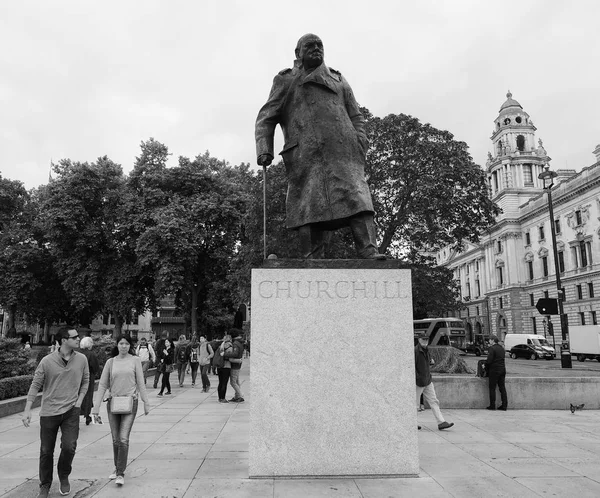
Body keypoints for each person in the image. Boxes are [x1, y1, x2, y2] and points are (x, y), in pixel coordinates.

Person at [255, 33, 385, 260]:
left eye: (320, 45)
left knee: (359, 199)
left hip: (345, 153)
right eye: (310, 46)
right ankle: (312, 257)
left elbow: (356, 115)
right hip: (307, 156)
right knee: (309, 205)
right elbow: (266, 117)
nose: (316, 49)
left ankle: (368, 250)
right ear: (298, 53)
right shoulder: (286, 80)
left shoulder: (339, 80)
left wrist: (360, 141)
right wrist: (264, 149)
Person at [22, 327, 89, 498]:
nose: (78, 339)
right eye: (74, 337)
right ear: (64, 340)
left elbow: (86, 381)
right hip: (49, 412)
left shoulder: (81, 359)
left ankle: (64, 475)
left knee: (69, 447)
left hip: (71, 411)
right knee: (46, 450)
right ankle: (45, 484)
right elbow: (35, 384)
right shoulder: (46, 361)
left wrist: (79, 402)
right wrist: (27, 409)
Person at [92, 334, 150, 487]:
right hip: (113, 403)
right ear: (117, 345)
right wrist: (96, 407)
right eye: (121, 343)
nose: (123, 346)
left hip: (130, 403)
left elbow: (140, 383)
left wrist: (146, 402)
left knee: (123, 439)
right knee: (115, 439)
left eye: (126, 344)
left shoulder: (135, 360)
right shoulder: (110, 362)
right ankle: (118, 466)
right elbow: (103, 385)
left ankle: (120, 473)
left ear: (130, 346)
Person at [415, 337, 454, 431]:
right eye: (423, 340)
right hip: (419, 381)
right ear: (419, 340)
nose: (425, 342)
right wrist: (417, 377)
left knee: (434, 401)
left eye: (426, 340)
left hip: (427, 380)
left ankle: (441, 422)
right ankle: (413, 423)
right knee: (415, 404)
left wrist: (430, 361)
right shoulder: (416, 351)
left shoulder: (425, 350)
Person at [79, 337, 100, 426]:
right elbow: (95, 367)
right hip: (88, 377)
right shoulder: (91, 354)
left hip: (77, 377)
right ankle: (87, 416)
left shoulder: (77, 353)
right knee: (88, 396)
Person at [485, 335, 508, 411]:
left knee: (492, 388)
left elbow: (489, 361)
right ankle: (504, 405)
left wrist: (485, 366)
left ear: (492, 340)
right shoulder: (501, 348)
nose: (489, 341)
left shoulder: (492, 348)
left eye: (489, 340)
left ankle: (492, 405)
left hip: (494, 370)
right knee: (502, 388)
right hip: (502, 370)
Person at [223, 329, 245, 402]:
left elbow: (235, 354)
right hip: (238, 363)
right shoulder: (240, 342)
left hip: (235, 364)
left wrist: (225, 354)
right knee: (237, 381)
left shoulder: (235, 343)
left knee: (233, 382)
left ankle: (240, 395)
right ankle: (237, 396)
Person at [217, 334, 233, 403]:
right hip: (226, 366)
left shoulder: (221, 345)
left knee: (220, 382)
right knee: (224, 383)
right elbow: (231, 356)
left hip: (219, 366)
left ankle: (220, 397)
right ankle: (223, 398)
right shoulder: (230, 346)